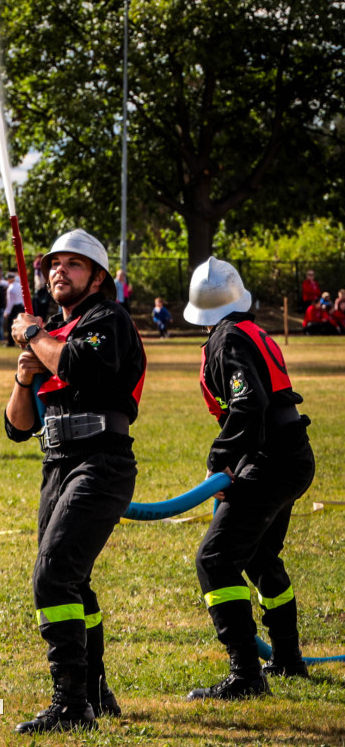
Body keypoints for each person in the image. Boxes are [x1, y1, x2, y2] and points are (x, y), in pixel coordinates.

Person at [5, 229, 146, 733]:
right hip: (56, 462)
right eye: (53, 265)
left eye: (73, 264)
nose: (58, 271)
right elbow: (19, 427)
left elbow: (80, 364)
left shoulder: (108, 319)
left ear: (98, 277)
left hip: (101, 462)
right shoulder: (50, 339)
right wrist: (24, 378)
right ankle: (93, 691)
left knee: (53, 574)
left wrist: (32, 336)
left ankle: (70, 705)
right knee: (74, 582)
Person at [182, 256, 314, 701]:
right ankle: (288, 659)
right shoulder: (248, 330)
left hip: (270, 459)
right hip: (291, 454)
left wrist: (221, 458)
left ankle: (246, 675)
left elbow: (248, 403)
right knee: (258, 558)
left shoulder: (226, 339)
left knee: (215, 560)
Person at [4, 271, 24, 347]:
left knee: (11, 325)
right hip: (21, 307)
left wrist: (7, 311)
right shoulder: (19, 285)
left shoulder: (11, 288)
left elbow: (10, 302)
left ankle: (11, 342)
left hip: (14, 308)